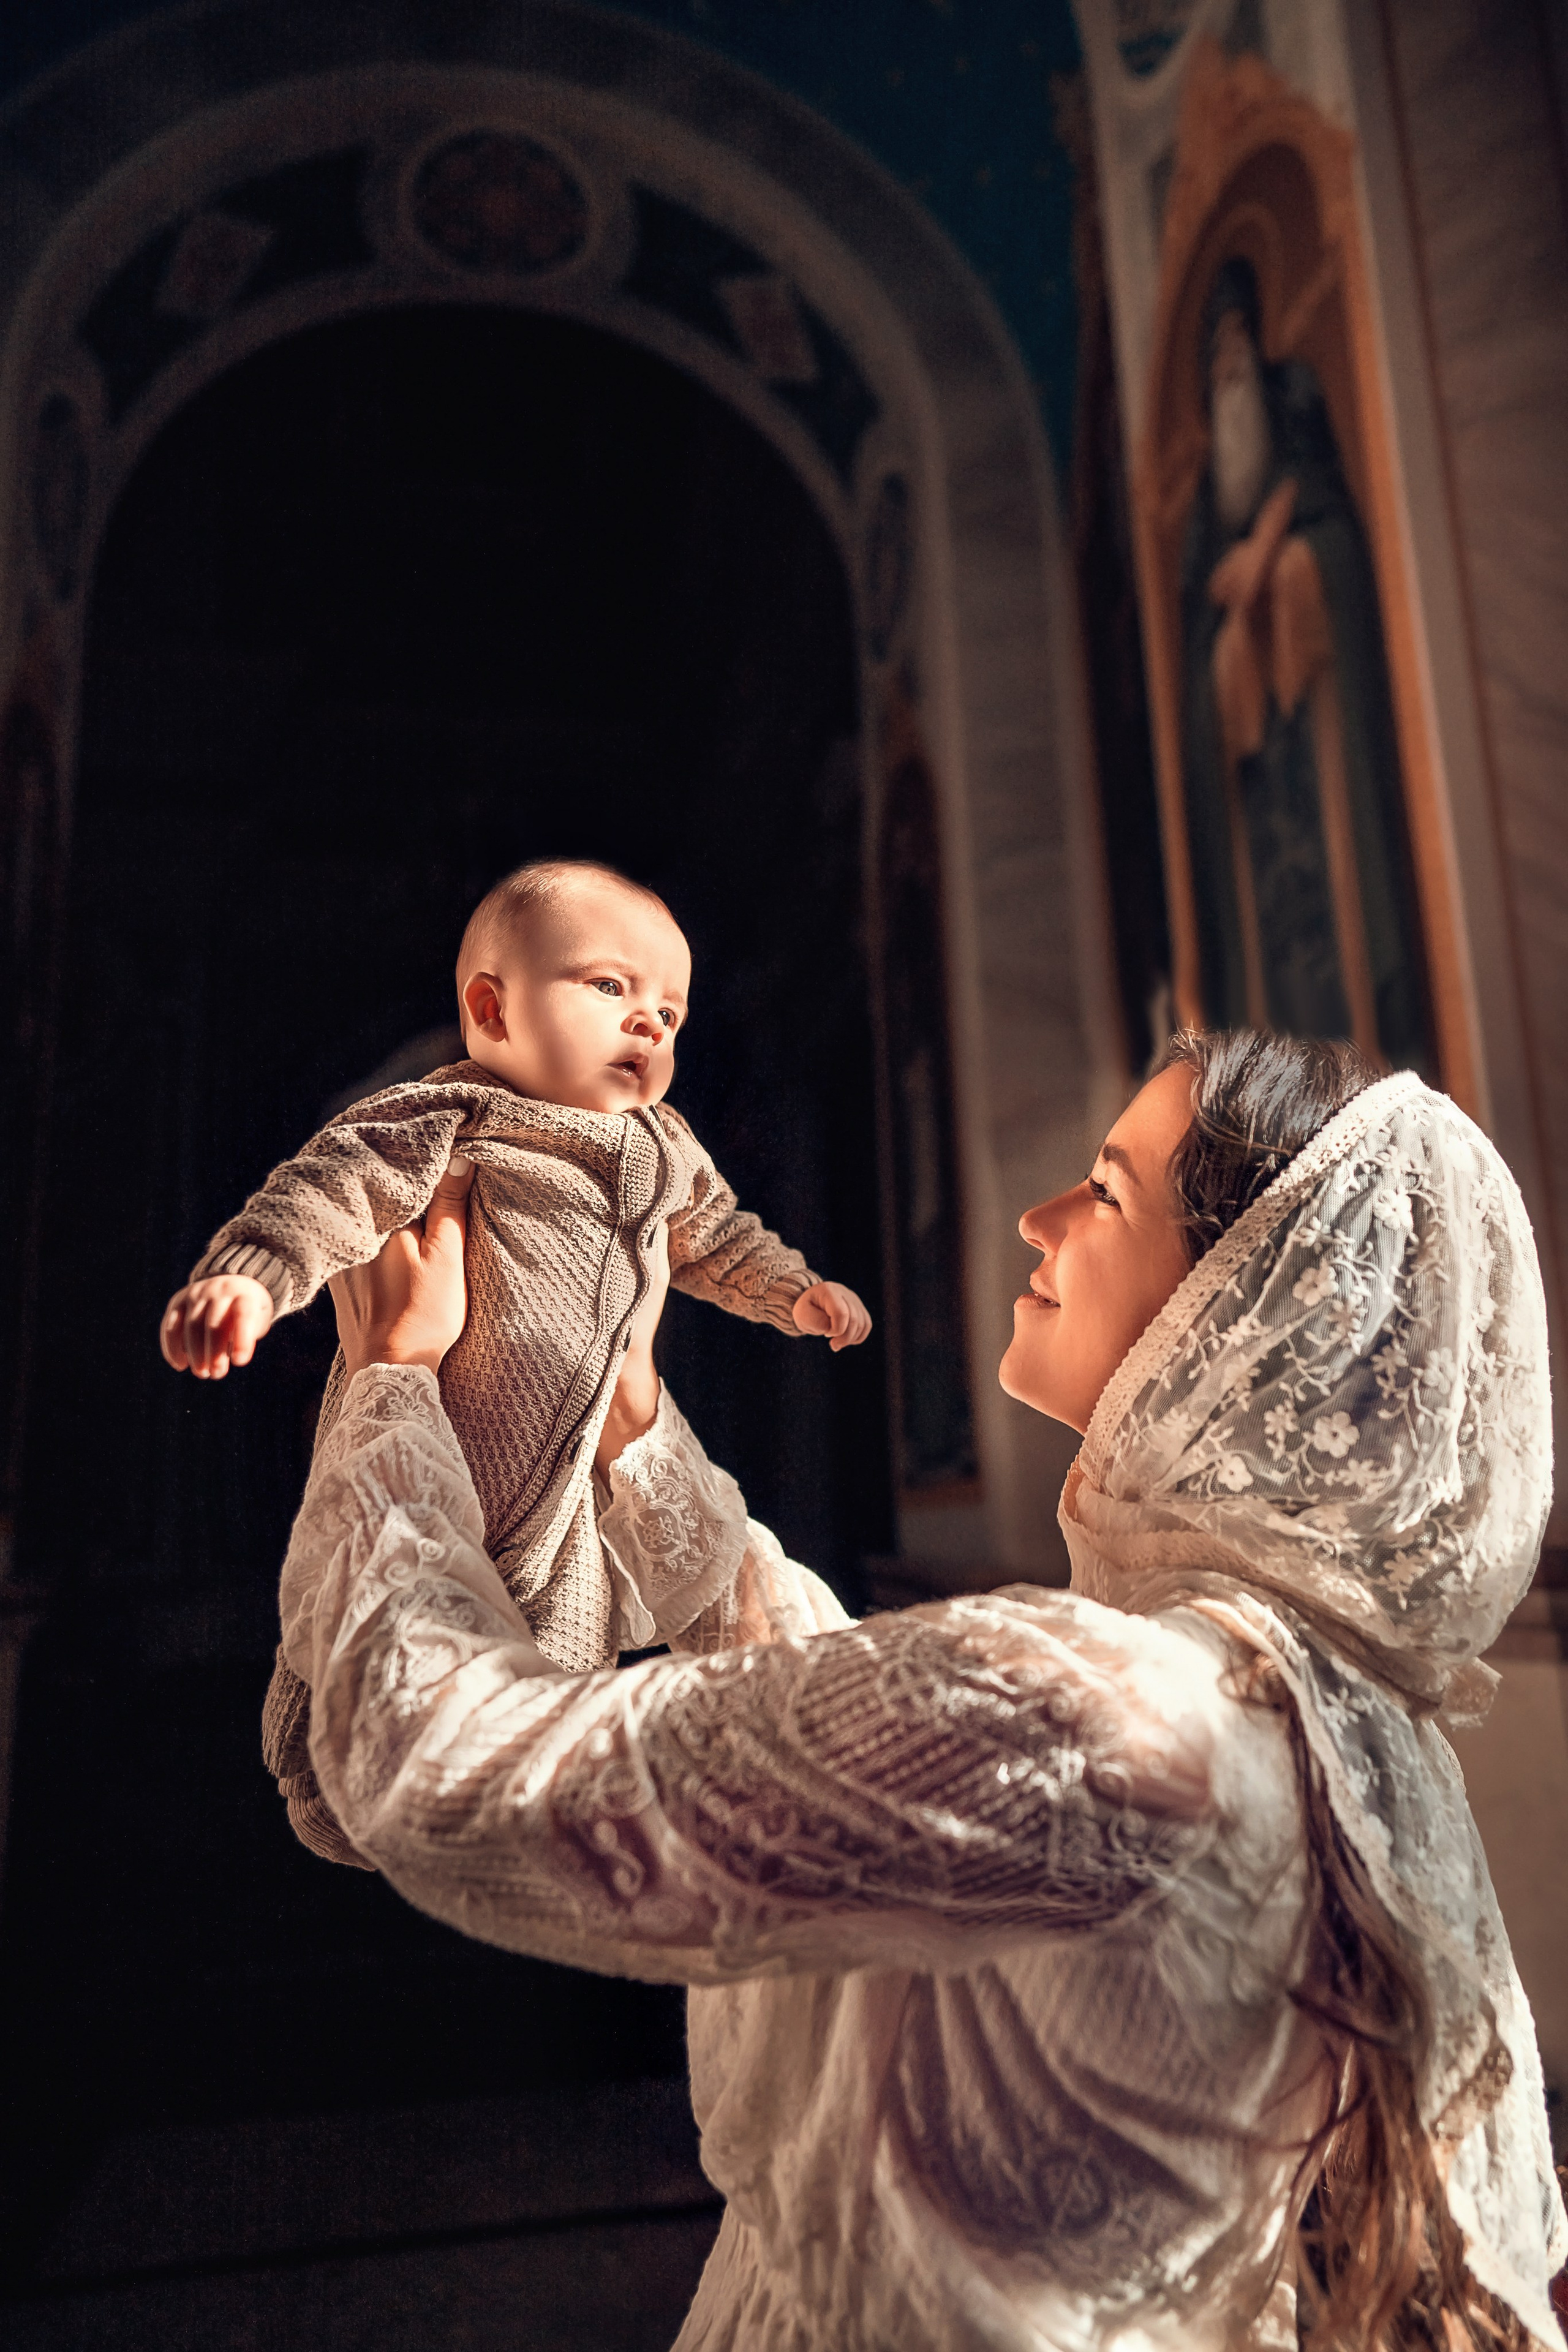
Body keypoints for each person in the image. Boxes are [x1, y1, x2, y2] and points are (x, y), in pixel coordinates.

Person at [277, 1028, 1564, 2349]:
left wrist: (389, 1390)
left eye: (1108, 1192)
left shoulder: (1111, 1707)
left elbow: (448, 1760)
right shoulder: (1306, 1715)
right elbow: (873, 1755)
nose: (1037, 1216)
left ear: (1241, 1313)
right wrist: (627, 1425)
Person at [157, 858, 870, 1864]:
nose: (650, 1025)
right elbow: (323, 1195)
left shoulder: (669, 1150)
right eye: (611, 986)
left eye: (672, 1009)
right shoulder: (445, 1118)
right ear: (491, 1012)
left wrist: (792, 1292)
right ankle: (316, 1734)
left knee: (552, 1692)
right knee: (353, 1660)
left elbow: (721, 1239)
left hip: (574, 1511)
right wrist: (250, 1281)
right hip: (443, 1451)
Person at [1180, 258, 1430, 1069]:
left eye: (1236, 340)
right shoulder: (1215, 491)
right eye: (1214, 349)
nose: (1228, 361)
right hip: (1270, 818)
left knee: (1294, 579)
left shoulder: (1295, 405)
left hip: (1325, 760)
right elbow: (1200, 593)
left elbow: (1323, 513)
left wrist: (1276, 565)